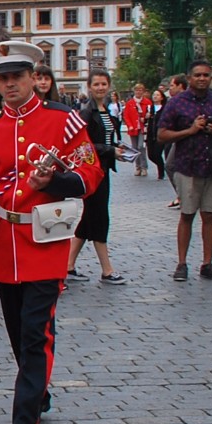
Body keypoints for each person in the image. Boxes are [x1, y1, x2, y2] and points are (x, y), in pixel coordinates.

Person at [0, 41, 102, 424]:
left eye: (17, 77)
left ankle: (24, 421)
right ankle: (39, 387)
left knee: (35, 332)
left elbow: (89, 173)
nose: (10, 84)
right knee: (17, 330)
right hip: (3, 241)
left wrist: (56, 182)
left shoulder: (63, 121)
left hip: (46, 240)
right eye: (3, 78)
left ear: (34, 78)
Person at [156, 60, 212, 280]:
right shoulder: (177, 103)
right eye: (198, 75)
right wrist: (190, 130)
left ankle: (207, 263)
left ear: (210, 78)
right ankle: (182, 263)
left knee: (210, 216)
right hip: (188, 165)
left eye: (206, 75)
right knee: (187, 215)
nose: (202, 79)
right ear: (190, 78)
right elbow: (162, 134)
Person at [74, 69, 124, 284]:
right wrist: (109, 150)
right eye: (96, 84)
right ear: (89, 87)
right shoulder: (86, 113)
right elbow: (82, 146)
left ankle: (67, 266)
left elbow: (105, 139)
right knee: (100, 218)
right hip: (92, 172)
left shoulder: (107, 112)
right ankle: (107, 269)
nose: (101, 88)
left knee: (89, 219)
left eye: (104, 84)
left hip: (103, 170)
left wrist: (116, 148)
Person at [121, 83, 150, 176]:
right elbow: (126, 116)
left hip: (142, 128)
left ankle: (144, 167)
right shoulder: (130, 103)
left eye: (140, 90)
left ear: (143, 91)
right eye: (137, 90)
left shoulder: (147, 102)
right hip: (133, 128)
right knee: (134, 148)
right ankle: (138, 167)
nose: (138, 92)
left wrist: (145, 118)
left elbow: (150, 114)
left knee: (141, 146)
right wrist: (129, 125)